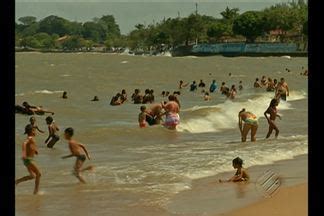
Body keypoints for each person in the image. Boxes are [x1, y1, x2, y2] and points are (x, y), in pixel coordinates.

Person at [15, 124, 41, 194]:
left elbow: (30, 146)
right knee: (38, 174)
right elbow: (24, 143)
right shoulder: (30, 138)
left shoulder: (31, 138)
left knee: (32, 176)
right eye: (34, 131)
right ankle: (36, 192)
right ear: (32, 131)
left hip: (27, 160)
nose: (35, 132)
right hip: (28, 159)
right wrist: (23, 153)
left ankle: (17, 181)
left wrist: (34, 150)